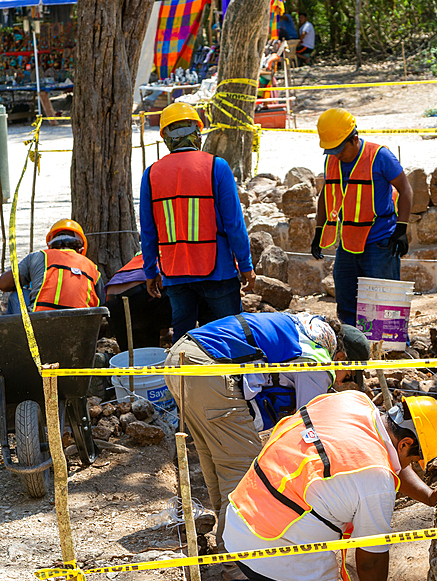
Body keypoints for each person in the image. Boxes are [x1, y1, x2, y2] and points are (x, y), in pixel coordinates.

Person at [205, 391, 437, 581]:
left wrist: (429, 495)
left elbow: (389, 459)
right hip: (274, 542)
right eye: (414, 460)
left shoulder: (352, 401)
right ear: (406, 442)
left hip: (242, 517)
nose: (411, 467)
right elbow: (370, 560)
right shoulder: (376, 479)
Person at [164, 312, 371, 522]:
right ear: (341, 359)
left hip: (180, 356)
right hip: (209, 366)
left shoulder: (306, 329)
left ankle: (225, 539)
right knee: (246, 472)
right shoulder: (320, 363)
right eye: (349, 376)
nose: (341, 383)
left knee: (215, 458)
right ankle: (238, 551)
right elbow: (307, 428)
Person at [139, 101, 255, 342]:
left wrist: (151, 270)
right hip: (218, 270)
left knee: (184, 343)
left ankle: (185, 381)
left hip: (175, 272)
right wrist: (245, 264)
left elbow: (148, 231)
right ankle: (236, 379)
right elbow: (234, 223)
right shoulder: (216, 167)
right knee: (233, 337)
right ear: (197, 133)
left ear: (165, 138)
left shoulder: (151, 175)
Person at [312, 108, 413, 326]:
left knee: (385, 306)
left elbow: (406, 190)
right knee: (346, 305)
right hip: (347, 244)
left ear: (354, 138)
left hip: (380, 243)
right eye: (332, 150)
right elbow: (325, 196)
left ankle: (390, 351)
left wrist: (402, 230)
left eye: (340, 149)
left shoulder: (380, 156)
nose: (337, 155)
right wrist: (319, 232)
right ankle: (354, 350)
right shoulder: (332, 160)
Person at [0, 219, 104, 314]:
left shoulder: (39, 256)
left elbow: (3, 284)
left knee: (17, 296)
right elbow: (102, 304)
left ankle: (15, 335)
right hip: (80, 327)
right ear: (80, 248)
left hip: (40, 324)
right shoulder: (92, 268)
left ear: (51, 244)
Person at [104, 252, 173, 351]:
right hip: (141, 292)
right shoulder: (173, 252)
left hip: (112, 299)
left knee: (133, 357)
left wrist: (166, 334)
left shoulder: (142, 255)